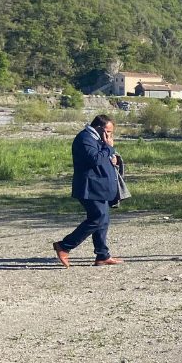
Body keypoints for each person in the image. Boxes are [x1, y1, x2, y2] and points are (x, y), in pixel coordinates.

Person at [53, 114, 125, 267]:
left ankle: (102, 255)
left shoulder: (97, 139)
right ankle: (64, 246)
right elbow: (95, 159)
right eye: (108, 131)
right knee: (97, 218)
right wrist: (108, 147)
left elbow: (104, 156)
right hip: (89, 187)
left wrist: (114, 158)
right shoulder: (84, 139)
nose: (109, 135)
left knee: (103, 220)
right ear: (98, 128)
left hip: (100, 187)